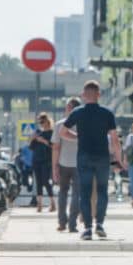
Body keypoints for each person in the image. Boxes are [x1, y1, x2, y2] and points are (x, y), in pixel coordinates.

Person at [61, 80, 125, 240]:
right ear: (99, 94)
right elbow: (115, 139)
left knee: (85, 192)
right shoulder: (107, 113)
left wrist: (78, 137)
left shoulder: (77, 112)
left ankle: (88, 228)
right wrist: (119, 160)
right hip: (102, 157)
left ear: (83, 95)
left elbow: (63, 132)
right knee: (102, 191)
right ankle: (100, 225)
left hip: (84, 157)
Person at [52, 97, 81, 232]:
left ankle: (62, 222)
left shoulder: (60, 125)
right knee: (77, 194)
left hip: (64, 163)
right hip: (80, 164)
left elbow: (56, 147)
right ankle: (72, 224)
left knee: (62, 192)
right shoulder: (83, 124)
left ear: (69, 108)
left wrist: (54, 167)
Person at [30, 113, 55, 212]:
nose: (41, 124)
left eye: (42, 121)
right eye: (39, 122)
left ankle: (52, 203)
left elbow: (53, 146)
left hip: (46, 160)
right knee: (38, 182)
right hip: (36, 160)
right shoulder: (38, 132)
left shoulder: (52, 133)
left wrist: (43, 141)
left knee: (46, 181)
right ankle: (39, 204)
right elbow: (31, 147)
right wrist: (32, 139)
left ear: (47, 121)